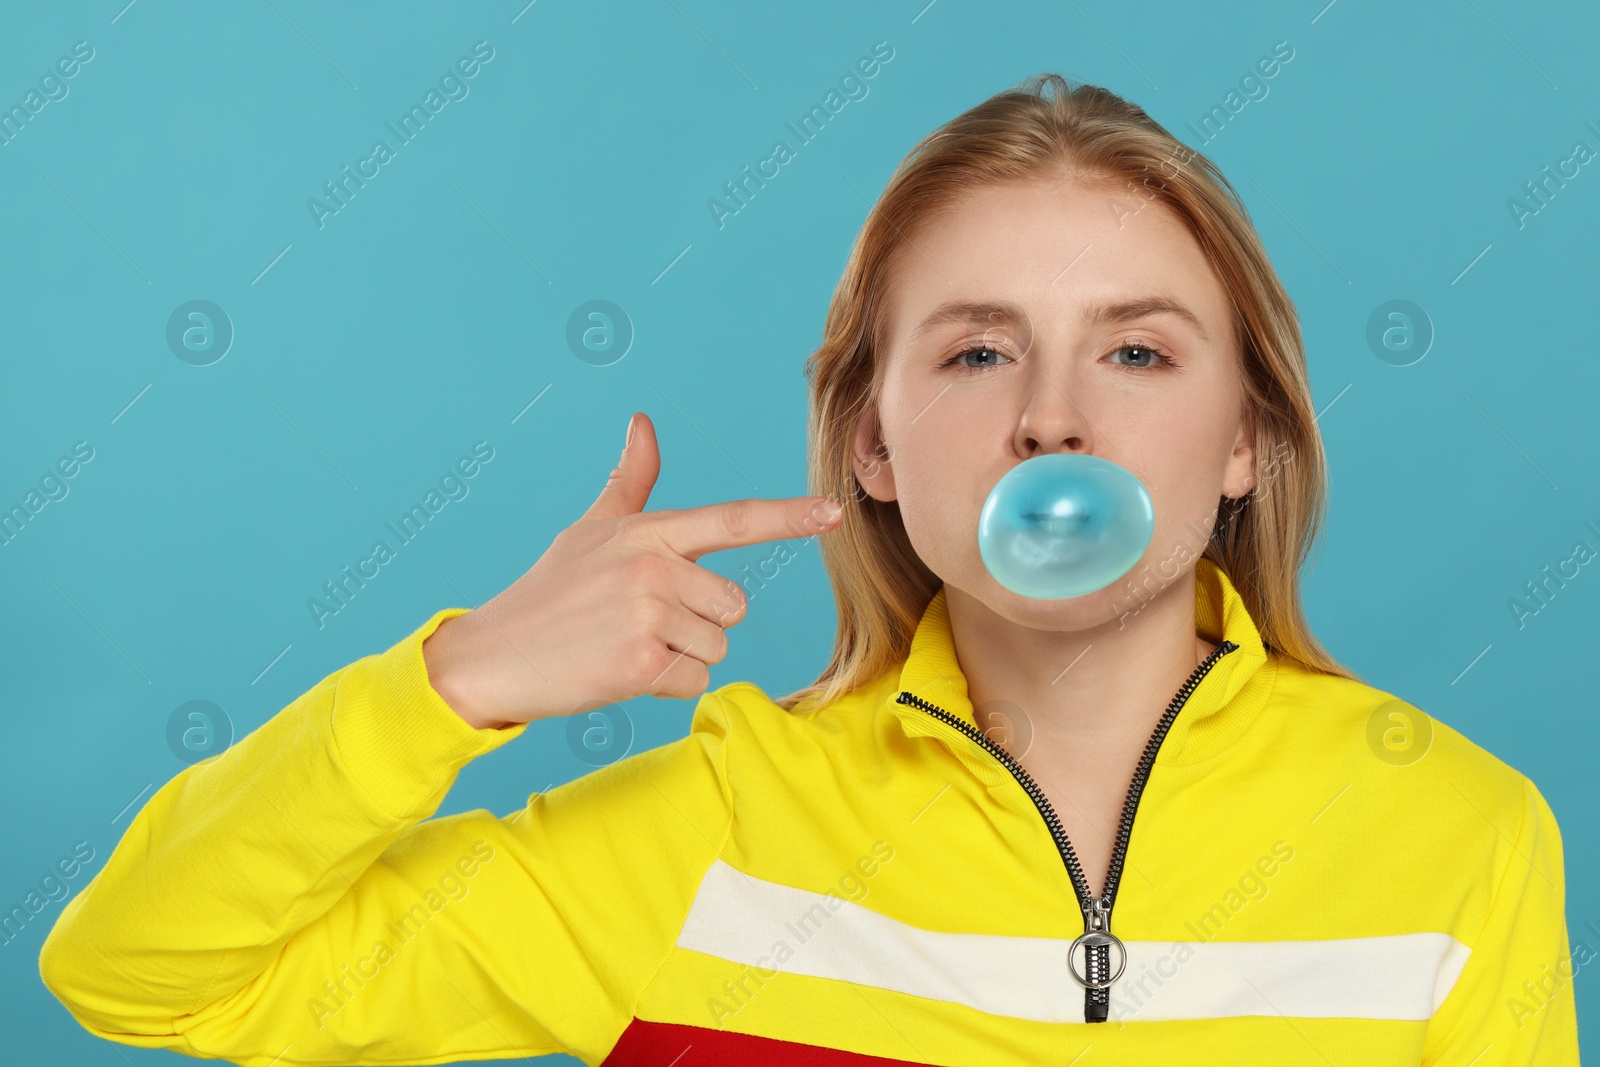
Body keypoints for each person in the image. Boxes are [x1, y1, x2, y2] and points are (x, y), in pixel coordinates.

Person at [40, 73, 1578, 1066]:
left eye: (1136, 349)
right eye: (978, 351)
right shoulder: (713, 833)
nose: (1054, 419)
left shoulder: (1458, 837)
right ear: (876, 448)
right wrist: (455, 685)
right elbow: (142, 973)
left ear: (1244, 437)